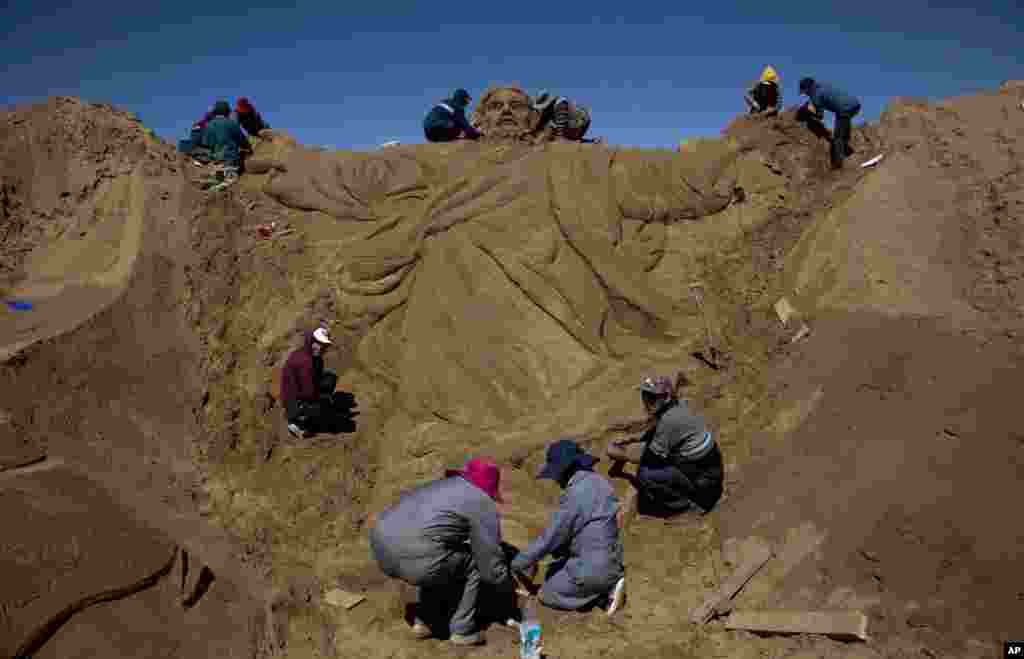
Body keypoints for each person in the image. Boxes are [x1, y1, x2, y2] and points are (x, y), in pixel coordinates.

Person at [369, 458, 515, 646]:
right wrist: (505, 589)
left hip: (381, 547)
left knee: (441, 555)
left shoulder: (443, 487)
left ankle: (425, 621)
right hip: (414, 556)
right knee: (472, 564)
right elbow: (489, 561)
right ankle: (462, 629)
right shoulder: (481, 502)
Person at [510, 439, 627, 617]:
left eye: (556, 474)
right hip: (614, 562)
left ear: (564, 470)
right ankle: (608, 585)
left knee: (546, 593)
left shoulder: (575, 494)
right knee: (554, 568)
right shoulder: (601, 482)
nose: (556, 480)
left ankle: (602, 599)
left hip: (592, 571)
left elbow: (550, 539)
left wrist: (518, 563)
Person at [606, 375, 724, 518]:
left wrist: (618, 453)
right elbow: (655, 433)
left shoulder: (668, 420)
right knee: (654, 449)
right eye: (645, 397)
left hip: (705, 480)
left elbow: (650, 457)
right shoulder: (677, 406)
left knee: (647, 474)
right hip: (709, 468)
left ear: (666, 397)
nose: (647, 402)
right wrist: (635, 440)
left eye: (652, 398)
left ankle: (686, 508)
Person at [279, 326, 354, 438]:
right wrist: (322, 399)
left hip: (298, 394)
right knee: (322, 408)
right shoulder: (305, 362)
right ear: (312, 342)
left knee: (330, 379)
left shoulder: (310, 356)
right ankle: (298, 423)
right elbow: (308, 392)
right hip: (295, 402)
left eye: (324, 346)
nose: (320, 348)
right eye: (318, 344)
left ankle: (306, 415)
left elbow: (316, 378)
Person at [798, 77, 861, 169]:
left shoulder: (815, 95)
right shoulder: (822, 86)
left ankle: (838, 165)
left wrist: (809, 114)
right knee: (843, 129)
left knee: (838, 137)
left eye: (805, 92)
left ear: (808, 88)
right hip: (854, 104)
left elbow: (820, 116)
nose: (805, 94)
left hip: (843, 108)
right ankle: (849, 152)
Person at [203, 100, 251, 181]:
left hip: (216, 163)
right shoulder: (232, 124)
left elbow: (206, 145)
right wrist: (248, 149)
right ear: (227, 112)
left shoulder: (209, 125)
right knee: (231, 186)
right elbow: (243, 141)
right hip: (231, 162)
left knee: (219, 184)